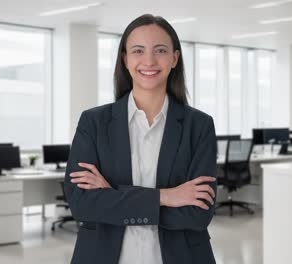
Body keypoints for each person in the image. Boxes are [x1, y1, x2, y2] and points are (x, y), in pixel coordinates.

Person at [65, 14, 217, 264]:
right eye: (138, 50)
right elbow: (82, 205)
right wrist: (167, 197)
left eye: (160, 50)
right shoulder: (93, 122)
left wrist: (112, 196)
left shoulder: (199, 126)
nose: (149, 60)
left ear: (174, 58)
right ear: (125, 59)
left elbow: (197, 214)